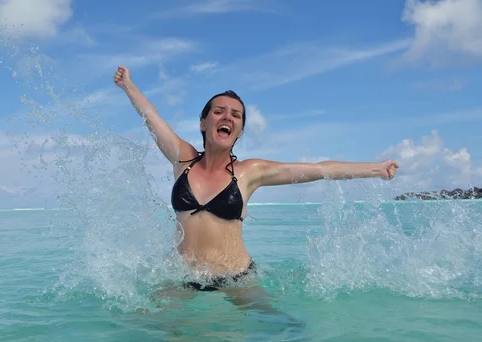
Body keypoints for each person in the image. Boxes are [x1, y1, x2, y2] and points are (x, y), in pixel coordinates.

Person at [114, 65, 399, 294]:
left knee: (274, 341)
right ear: (203, 123)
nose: (227, 116)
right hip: (181, 277)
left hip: (236, 279)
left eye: (236, 115)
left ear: (239, 132)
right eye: (219, 111)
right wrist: (128, 85)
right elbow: (151, 115)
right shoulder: (183, 159)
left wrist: (376, 169)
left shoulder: (250, 172)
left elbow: (317, 169)